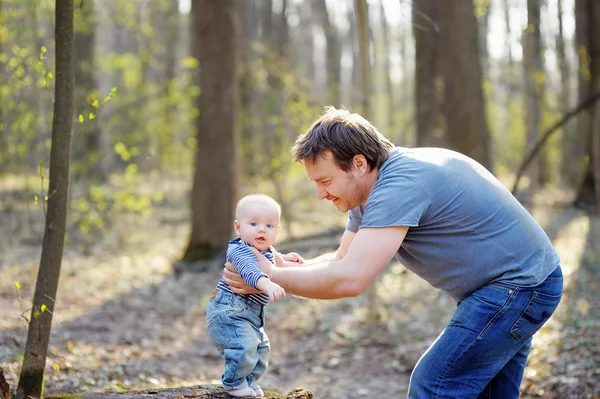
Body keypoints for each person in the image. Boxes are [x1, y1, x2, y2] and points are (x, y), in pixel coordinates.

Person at [223, 107, 563, 398]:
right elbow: (343, 260)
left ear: (358, 163)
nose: (319, 194)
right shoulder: (369, 189)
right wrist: (282, 265)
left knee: (434, 385)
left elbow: (351, 280)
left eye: (325, 182)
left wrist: (266, 278)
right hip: (515, 286)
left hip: (521, 287)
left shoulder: (400, 185)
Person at [206, 194, 303, 398]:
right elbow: (250, 272)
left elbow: (278, 264)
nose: (262, 229)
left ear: (277, 230)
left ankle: (247, 380)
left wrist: (287, 260)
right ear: (238, 227)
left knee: (262, 349)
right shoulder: (240, 250)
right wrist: (266, 283)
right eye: (254, 223)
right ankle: (233, 382)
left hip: (251, 314)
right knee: (244, 346)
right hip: (229, 310)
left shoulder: (267, 249)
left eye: (269, 226)